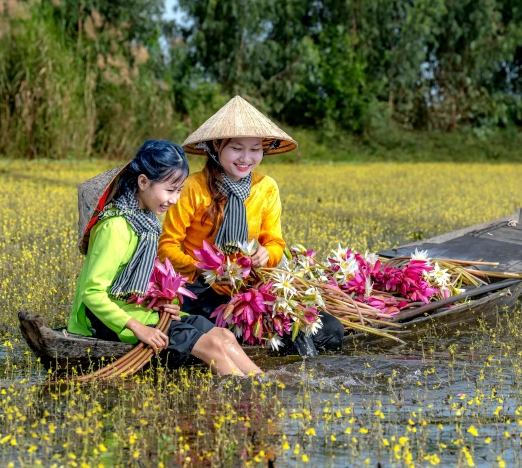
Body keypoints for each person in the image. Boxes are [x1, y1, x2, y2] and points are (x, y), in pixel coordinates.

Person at [158, 97, 344, 355]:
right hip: (200, 289)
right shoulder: (193, 188)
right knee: (229, 333)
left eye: (255, 149)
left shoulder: (266, 188)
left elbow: (275, 243)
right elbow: (167, 245)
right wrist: (205, 270)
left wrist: (267, 254)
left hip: (249, 287)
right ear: (216, 147)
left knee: (331, 330)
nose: (246, 158)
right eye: (236, 148)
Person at [67, 140, 263, 376]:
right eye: (170, 190)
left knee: (224, 336)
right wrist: (139, 329)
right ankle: (247, 402)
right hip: (107, 322)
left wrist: (159, 301)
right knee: (212, 347)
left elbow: (138, 282)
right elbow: (91, 293)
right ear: (143, 182)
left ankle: (266, 384)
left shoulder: (146, 223)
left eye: (179, 190)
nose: (174, 199)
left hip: (138, 311)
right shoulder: (115, 228)